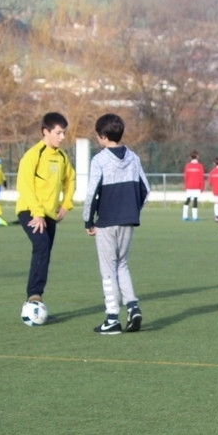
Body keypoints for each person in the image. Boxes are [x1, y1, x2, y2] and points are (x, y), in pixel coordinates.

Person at [82, 113, 150, 335]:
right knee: (122, 264)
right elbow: (146, 189)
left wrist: (88, 220)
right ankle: (132, 307)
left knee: (108, 268)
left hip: (107, 221)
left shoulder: (99, 160)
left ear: (102, 136)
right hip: (128, 220)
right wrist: (133, 210)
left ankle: (112, 318)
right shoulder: (134, 158)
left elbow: (92, 193)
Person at [15, 111, 75, 309]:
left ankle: (35, 298)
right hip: (29, 211)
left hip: (50, 215)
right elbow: (24, 186)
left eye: (64, 133)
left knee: (45, 253)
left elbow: (70, 180)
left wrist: (66, 204)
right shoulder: (33, 155)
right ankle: (34, 296)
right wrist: (38, 213)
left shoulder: (62, 157)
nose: (62, 137)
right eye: (58, 133)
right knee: (41, 245)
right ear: (45, 132)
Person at [182, 150, 204, 221]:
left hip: (189, 186)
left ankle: (184, 216)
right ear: (197, 157)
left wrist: (185, 186)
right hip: (197, 186)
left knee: (187, 200)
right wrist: (202, 187)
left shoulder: (187, 166)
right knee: (195, 200)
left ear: (190, 157)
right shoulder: (200, 166)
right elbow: (201, 177)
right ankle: (195, 217)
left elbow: (185, 177)